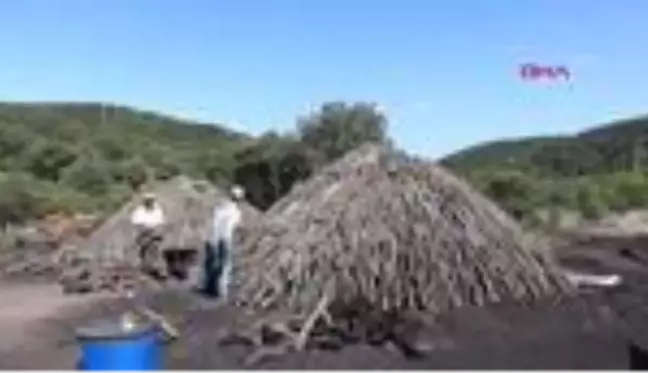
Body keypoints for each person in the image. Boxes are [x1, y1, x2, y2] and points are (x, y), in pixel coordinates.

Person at [202, 185, 244, 298]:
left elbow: (213, 223)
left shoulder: (220, 207)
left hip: (214, 237)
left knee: (214, 263)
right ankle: (221, 289)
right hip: (226, 238)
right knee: (225, 264)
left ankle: (210, 286)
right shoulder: (236, 211)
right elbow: (235, 227)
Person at [130, 193, 167, 278]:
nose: (150, 202)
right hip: (143, 234)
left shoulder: (158, 211)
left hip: (155, 234)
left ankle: (155, 267)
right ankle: (151, 267)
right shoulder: (139, 211)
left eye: (151, 200)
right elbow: (138, 225)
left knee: (154, 246)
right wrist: (149, 231)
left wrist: (154, 232)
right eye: (148, 200)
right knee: (148, 245)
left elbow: (160, 224)